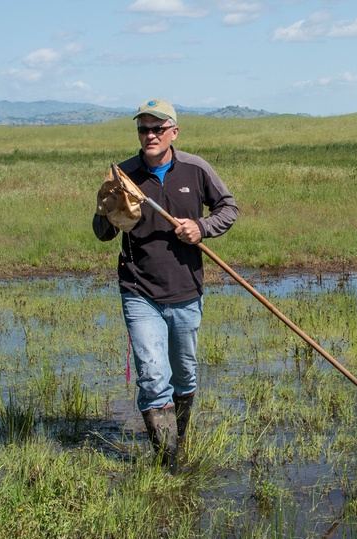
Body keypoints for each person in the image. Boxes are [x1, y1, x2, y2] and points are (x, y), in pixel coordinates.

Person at [93, 98, 239, 469]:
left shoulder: (194, 169)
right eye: (143, 128)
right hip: (139, 289)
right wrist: (109, 211)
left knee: (184, 372)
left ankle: (180, 439)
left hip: (186, 289)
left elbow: (228, 208)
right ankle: (168, 463)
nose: (150, 135)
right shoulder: (123, 175)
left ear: (174, 131)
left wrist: (201, 227)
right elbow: (101, 232)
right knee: (154, 376)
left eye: (158, 128)